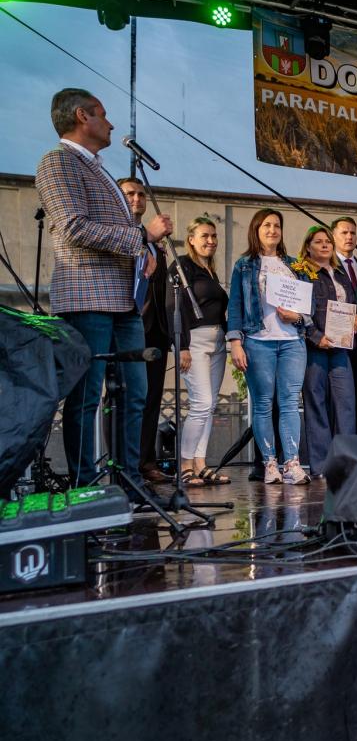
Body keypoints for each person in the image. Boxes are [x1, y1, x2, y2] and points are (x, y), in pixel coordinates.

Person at [35, 88, 171, 492]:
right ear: (83, 116)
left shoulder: (98, 168)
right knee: (87, 395)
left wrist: (144, 251)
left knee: (135, 393)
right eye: (103, 115)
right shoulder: (58, 161)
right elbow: (73, 226)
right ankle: (83, 487)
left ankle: (130, 481)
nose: (111, 124)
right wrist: (141, 237)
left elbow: (117, 230)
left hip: (124, 302)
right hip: (86, 297)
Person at [227, 208, 309, 485]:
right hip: (258, 342)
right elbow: (235, 306)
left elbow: (308, 307)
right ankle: (270, 463)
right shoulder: (244, 265)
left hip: (292, 342)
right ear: (256, 230)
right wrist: (235, 342)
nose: (272, 230)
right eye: (266, 225)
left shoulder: (295, 265)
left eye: (276, 225)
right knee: (262, 404)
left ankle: (292, 464)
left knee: (289, 403)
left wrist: (296, 317)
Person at [117, 177, 172, 484]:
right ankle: (121, 464)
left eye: (140, 194)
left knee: (150, 398)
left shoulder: (156, 244)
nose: (136, 199)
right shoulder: (119, 234)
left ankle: (146, 461)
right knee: (124, 397)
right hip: (127, 326)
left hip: (156, 331)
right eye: (129, 194)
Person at [300, 225, 357, 478]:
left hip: (340, 347)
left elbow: (354, 304)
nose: (325, 245)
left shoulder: (341, 274)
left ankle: (346, 463)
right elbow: (301, 311)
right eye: (318, 241)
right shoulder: (302, 274)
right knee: (317, 404)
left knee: (346, 404)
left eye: (327, 241)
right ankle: (321, 466)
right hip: (315, 347)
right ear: (308, 247)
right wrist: (316, 336)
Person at [176, 216, 230, 486]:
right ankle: (185, 465)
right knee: (201, 403)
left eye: (214, 235)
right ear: (191, 239)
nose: (211, 240)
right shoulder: (182, 266)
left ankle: (200, 463)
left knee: (209, 406)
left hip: (218, 341)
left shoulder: (211, 271)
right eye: (204, 236)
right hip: (194, 341)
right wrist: (182, 346)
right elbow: (175, 306)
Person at [331, 216, 357, 429]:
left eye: (352, 232)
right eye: (344, 232)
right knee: (341, 400)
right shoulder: (327, 266)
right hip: (337, 340)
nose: (349, 236)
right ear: (333, 236)